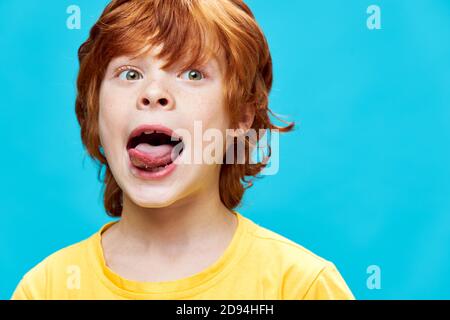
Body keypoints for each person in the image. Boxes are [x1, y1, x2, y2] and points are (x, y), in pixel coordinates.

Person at [12, 0, 354, 300]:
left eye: (192, 73)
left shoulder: (300, 287)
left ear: (241, 117)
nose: (154, 92)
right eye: (129, 73)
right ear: (96, 111)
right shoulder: (46, 288)